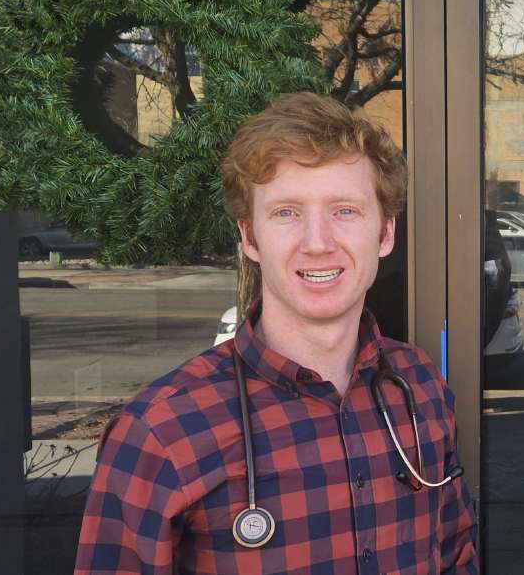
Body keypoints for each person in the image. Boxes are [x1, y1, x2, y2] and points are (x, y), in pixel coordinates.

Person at [74, 93, 479, 574]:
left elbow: (457, 555)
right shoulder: (163, 431)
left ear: (385, 233)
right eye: (287, 212)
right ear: (249, 237)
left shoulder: (420, 388)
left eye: (344, 210)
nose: (317, 242)